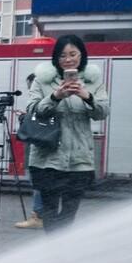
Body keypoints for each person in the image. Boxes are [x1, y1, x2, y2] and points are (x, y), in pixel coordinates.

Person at [25, 35, 110, 233]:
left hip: (79, 158)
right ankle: (54, 252)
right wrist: (55, 96)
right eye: (63, 55)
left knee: (70, 212)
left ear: (82, 55)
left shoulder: (92, 81)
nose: (68, 59)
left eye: (73, 54)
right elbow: (32, 110)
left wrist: (87, 96)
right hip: (48, 157)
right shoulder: (42, 80)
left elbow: (103, 112)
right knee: (50, 210)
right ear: (56, 57)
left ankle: (59, 248)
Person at [14, 72, 45, 230]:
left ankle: (38, 215)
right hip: (40, 150)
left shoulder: (40, 102)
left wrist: (24, 119)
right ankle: (41, 214)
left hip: (37, 151)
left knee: (37, 182)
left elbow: (36, 126)